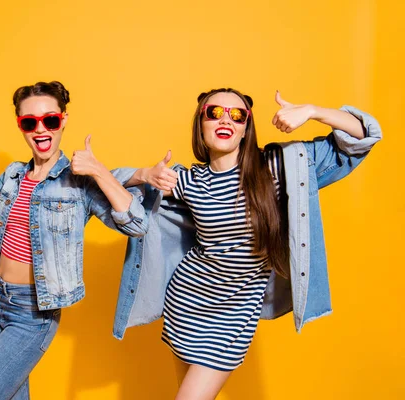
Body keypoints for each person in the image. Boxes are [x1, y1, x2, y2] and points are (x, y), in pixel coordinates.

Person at [113, 88, 382, 399]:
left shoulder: (278, 167)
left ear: (245, 128)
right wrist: (145, 174)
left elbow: (365, 135)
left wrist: (312, 111)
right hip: (185, 304)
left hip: (235, 315)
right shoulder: (188, 180)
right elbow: (106, 190)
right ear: (200, 124)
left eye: (237, 115)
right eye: (214, 112)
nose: (226, 119)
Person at [0, 81, 147, 400]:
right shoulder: (13, 176)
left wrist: (100, 170)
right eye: (29, 122)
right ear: (21, 126)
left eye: (50, 119)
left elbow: (136, 224)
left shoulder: (79, 182)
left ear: (63, 119)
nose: (41, 129)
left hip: (32, 312)